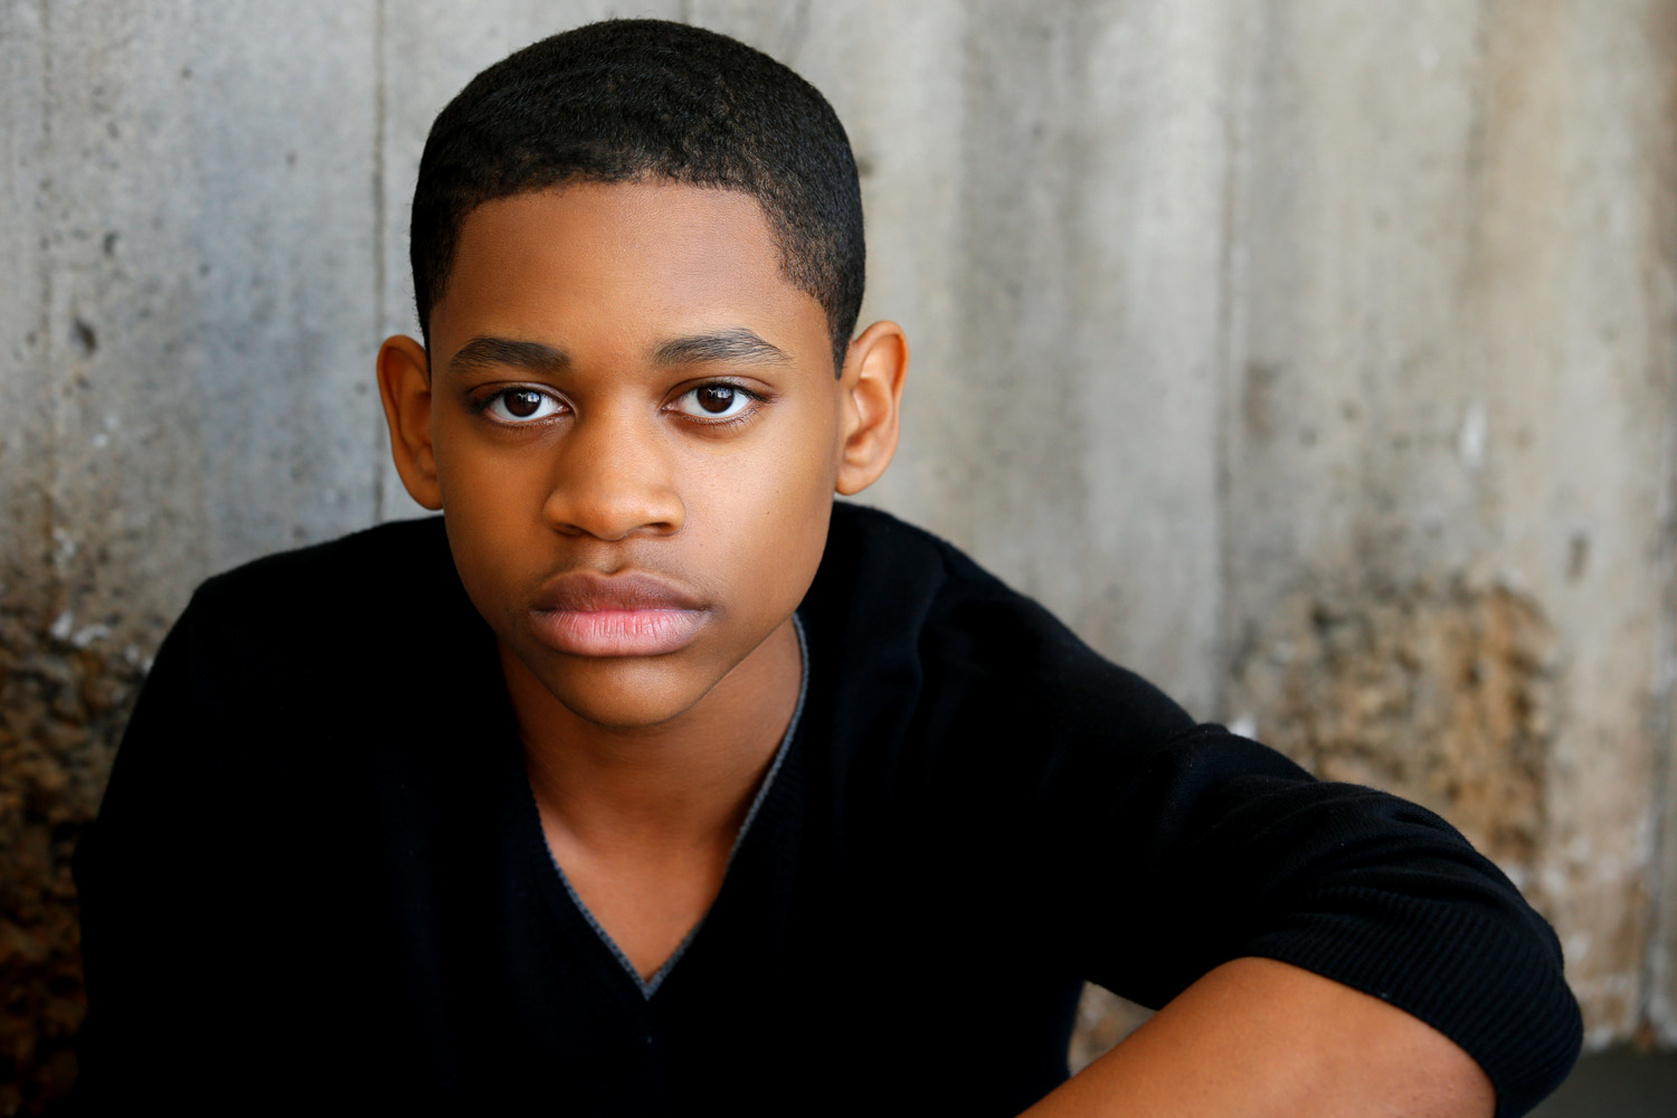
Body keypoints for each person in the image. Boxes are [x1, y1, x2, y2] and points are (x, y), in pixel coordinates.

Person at [73, 18, 1581, 1116]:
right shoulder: (266, 695)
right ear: (418, 422)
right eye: (519, 401)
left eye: (714, 397)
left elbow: (1449, 940)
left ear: (857, 417)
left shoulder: (964, 705)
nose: (608, 500)